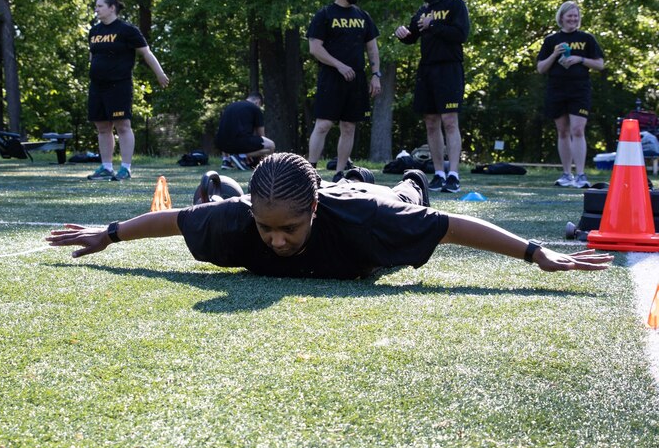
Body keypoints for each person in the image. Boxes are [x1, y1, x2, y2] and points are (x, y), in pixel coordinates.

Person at [48, 152, 612, 279]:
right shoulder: (236, 219)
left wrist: (536, 253)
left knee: (406, 197)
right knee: (225, 201)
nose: (274, 241)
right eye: (266, 228)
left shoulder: (369, 220)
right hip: (314, 193)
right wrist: (109, 234)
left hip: (373, 203)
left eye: (288, 229)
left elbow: (450, 226)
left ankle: (409, 171)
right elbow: (171, 222)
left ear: (312, 211)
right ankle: (227, 181)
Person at [394, 0, 470, 193]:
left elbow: (461, 34)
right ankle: (438, 173)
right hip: (427, 70)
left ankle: (453, 175)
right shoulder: (423, 9)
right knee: (430, 121)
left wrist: (434, 24)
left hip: (449, 69)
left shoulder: (456, 5)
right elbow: (413, 34)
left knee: (449, 120)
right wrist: (404, 35)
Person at [86, 0, 169, 181]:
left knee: (123, 125)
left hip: (119, 85)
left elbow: (146, 53)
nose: (96, 9)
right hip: (97, 86)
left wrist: (160, 74)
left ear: (112, 8)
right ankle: (106, 167)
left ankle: (125, 168)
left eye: (100, 6)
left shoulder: (127, 30)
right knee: (102, 127)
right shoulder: (94, 31)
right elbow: (93, 56)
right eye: (96, 6)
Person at [307, 0, 381, 181]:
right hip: (331, 78)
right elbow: (314, 48)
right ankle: (310, 171)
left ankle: (340, 173)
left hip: (356, 80)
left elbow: (372, 49)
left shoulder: (362, 16)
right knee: (323, 125)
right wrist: (339, 65)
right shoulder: (324, 14)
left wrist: (376, 75)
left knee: (349, 126)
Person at [537, 1, 605, 188]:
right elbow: (541, 68)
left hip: (579, 90)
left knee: (577, 129)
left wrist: (580, 59)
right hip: (557, 89)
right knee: (563, 131)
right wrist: (554, 55)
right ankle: (567, 174)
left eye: (576, 16)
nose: (573, 19)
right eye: (569, 16)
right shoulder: (551, 40)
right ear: (561, 18)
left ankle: (581, 175)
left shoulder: (587, 38)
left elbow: (600, 64)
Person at [215, 93, 275, 170]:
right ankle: (242, 156)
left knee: (228, 134)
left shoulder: (230, 106)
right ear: (258, 102)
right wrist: (256, 154)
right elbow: (261, 135)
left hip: (221, 143)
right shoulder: (255, 109)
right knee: (271, 145)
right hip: (238, 143)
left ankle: (226, 161)